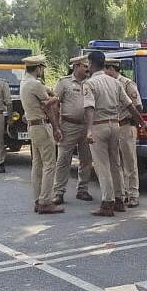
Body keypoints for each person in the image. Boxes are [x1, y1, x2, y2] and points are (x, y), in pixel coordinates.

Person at [82, 51, 147, 217]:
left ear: (91, 64)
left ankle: (107, 202)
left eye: (88, 64)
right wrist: (142, 122)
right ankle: (120, 199)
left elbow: (89, 108)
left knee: (102, 165)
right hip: (115, 125)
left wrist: (89, 130)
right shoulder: (115, 82)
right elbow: (130, 105)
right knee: (115, 164)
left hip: (99, 126)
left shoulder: (89, 84)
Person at [20, 54, 64, 214]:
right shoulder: (35, 84)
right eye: (42, 68)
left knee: (37, 165)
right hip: (41, 126)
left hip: (32, 126)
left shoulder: (25, 82)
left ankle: (38, 199)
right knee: (49, 164)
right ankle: (46, 201)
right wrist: (56, 127)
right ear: (38, 68)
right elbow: (48, 106)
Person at [51, 55, 93, 205]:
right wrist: (56, 127)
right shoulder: (64, 82)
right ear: (76, 66)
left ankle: (83, 189)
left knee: (86, 159)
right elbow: (54, 105)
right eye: (84, 66)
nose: (88, 69)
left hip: (87, 125)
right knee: (63, 159)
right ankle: (58, 192)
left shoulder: (91, 83)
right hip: (68, 126)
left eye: (88, 66)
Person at [105, 59, 142, 207]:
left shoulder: (127, 84)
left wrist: (134, 121)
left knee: (130, 163)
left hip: (126, 126)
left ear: (111, 69)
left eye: (106, 69)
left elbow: (138, 106)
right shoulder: (109, 84)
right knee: (116, 163)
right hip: (113, 126)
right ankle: (122, 193)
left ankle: (133, 194)